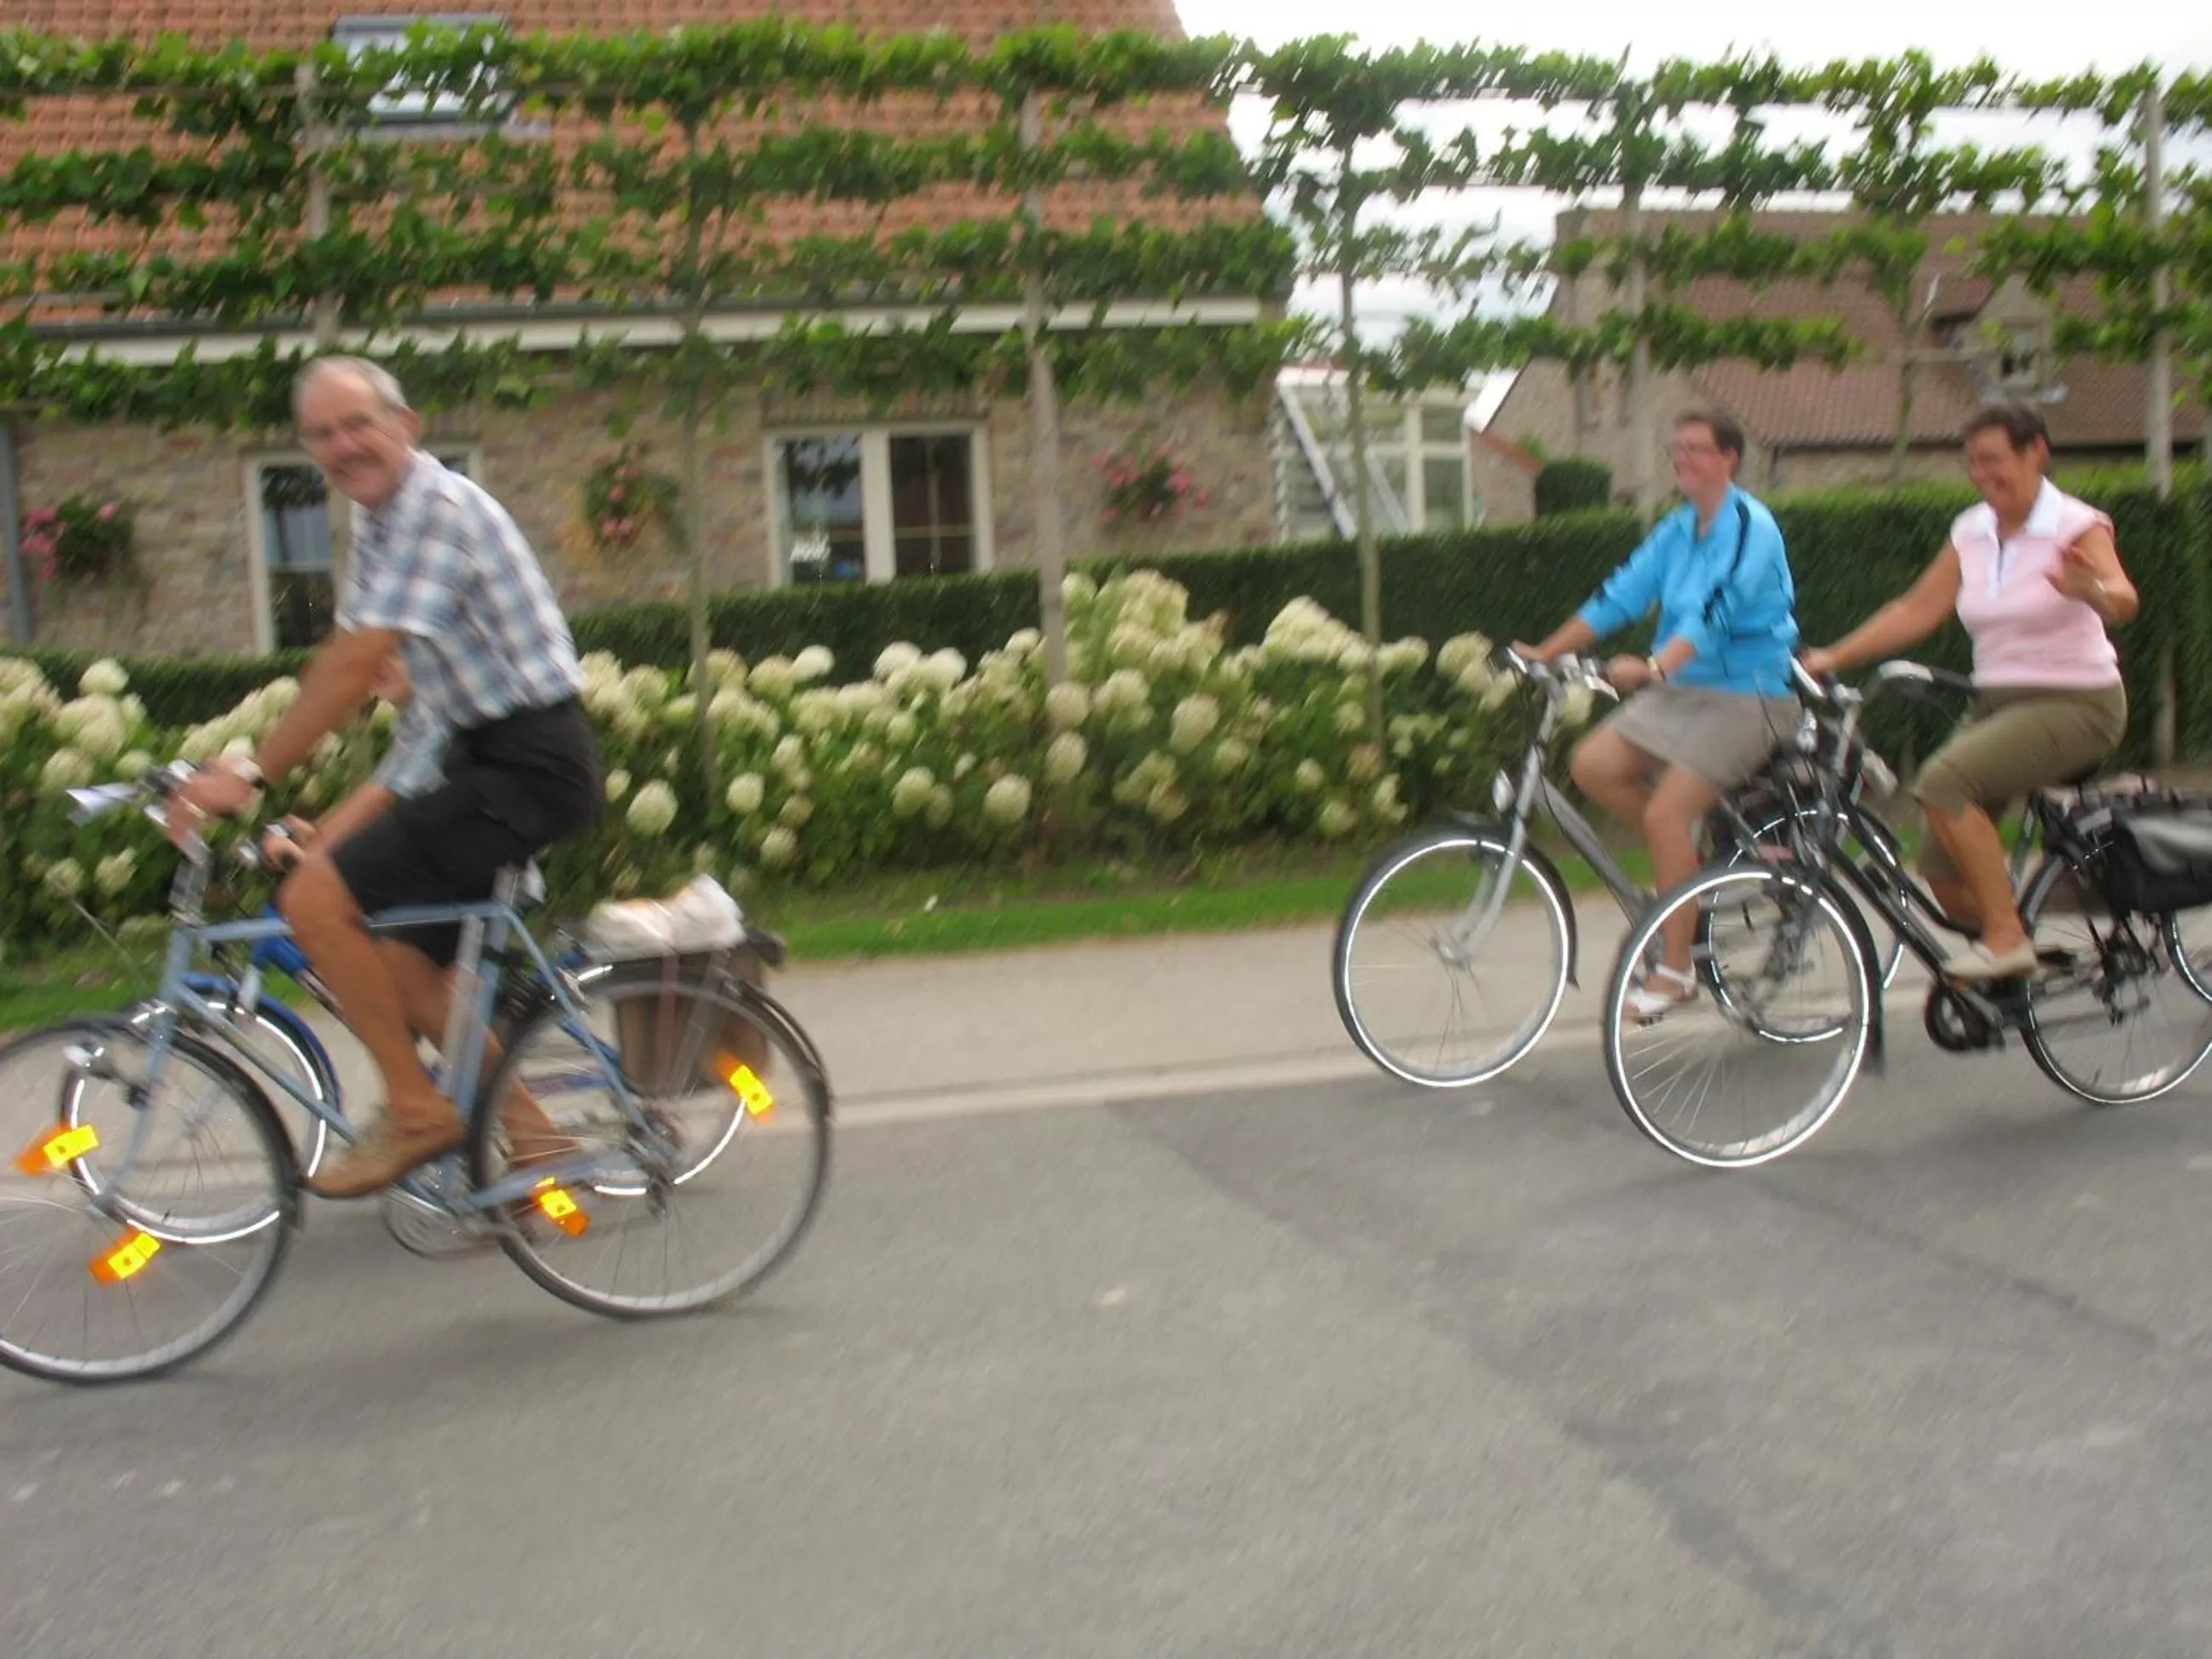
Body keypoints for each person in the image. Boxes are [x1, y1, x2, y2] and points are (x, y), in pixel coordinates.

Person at [172, 356, 601, 1196]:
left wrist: (254, 773)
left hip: (528, 762)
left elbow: (360, 660)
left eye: (358, 424)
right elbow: (346, 662)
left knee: (313, 901)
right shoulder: (380, 521)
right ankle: (539, 1143)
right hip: (483, 759)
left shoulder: (433, 510)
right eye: (322, 435)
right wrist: (238, 765)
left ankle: (416, 1109)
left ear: (405, 426)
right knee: (408, 970)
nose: (342, 445)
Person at [1799, 400, 2137, 981]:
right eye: (1972, 464)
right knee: (1941, 871)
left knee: (1943, 782)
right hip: (1996, 704)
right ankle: (2033, 962)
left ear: (2037, 453)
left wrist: (2093, 591)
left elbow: (2123, 599)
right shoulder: (1972, 530)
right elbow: (1915, 609)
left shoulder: (2073, 523)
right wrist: (1832, 656)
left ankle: (2006, 939)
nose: (1982, 476)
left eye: (1993, 461)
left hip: (2078, 704)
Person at [1514, 410, 1802, 1017]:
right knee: (1592, 764)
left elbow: (1716, 612)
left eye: (1697, 449)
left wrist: (1655, 666)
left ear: (1730, 459)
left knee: (1667, 813)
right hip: (1681, 693)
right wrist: (1545, 650)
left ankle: (1678, 969)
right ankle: (1688, 877)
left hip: (1750, 696)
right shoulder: (1678, 529)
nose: (1683, 458)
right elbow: (1621, 592)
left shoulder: (1752, 525)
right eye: (1678, 448)